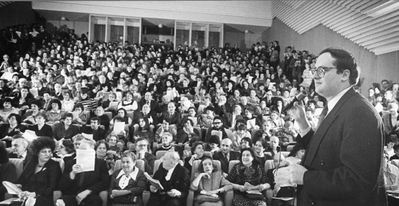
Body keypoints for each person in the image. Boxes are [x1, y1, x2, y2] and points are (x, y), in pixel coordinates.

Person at [288, 48, 385, 206]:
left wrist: (305, 178)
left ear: (345, 75)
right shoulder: (334, 106)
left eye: (322, 70)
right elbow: (327, 151)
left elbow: (357, 180)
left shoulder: (359, 112)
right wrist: (304, 125)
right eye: (315, 70)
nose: (315, 75)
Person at [58, 137, 110, 206]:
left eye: (86, 151)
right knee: (61, 202)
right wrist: (72, 173)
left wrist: (88, 191)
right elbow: (62, 185)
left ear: (92, 152)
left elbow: (105, 182)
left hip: (91, 194)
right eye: (81, 151)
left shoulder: (100, 163)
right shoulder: (70, 163)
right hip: (72, 194)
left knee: (95, 201)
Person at [17, 137, 62, 206]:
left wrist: (34, 194)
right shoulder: (31, 163)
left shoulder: (54, 165)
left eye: (49, 151)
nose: (48, 154)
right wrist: (19, 189)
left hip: (43, 198)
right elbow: (21, 180)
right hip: (27, 197)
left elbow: (51, 187)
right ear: (37, 153)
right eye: (44, 152)